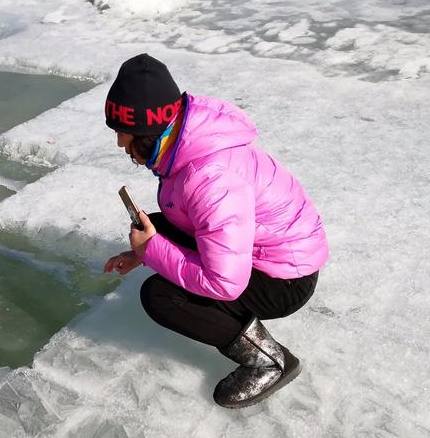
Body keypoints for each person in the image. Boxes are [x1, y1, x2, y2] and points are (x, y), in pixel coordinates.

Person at [103, 53, 329, 408]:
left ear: (147, 130)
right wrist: (143, 251)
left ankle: (269, 361)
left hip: (284, 278)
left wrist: (153, 252)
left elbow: (224, 283)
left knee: (162, 297)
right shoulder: (186, 142)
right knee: (157, 224)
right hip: (265, 250)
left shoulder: (210, 178)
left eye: (123, 132)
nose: (119, 143)